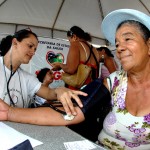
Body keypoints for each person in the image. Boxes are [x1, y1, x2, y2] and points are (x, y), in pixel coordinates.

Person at [0, 29, 88, 125]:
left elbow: (48, 92)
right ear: (15, 42)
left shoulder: (26, 78)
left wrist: (59, 91)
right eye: (30, 46)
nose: (33, 52)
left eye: (35, 49)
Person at [97, 9, 150, 149]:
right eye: (117, 43)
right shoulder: (113, 81)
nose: (119, 48)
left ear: (149, 45)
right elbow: (78, 111)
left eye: (127, 39)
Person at [52, 26, 99, 90]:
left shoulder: (75, 44)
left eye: (69, 40)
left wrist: (60, 65)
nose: (70, 43)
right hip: (92, 88)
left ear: (74, 37)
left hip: (78, 90)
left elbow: (71, 69)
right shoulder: (94, 50)